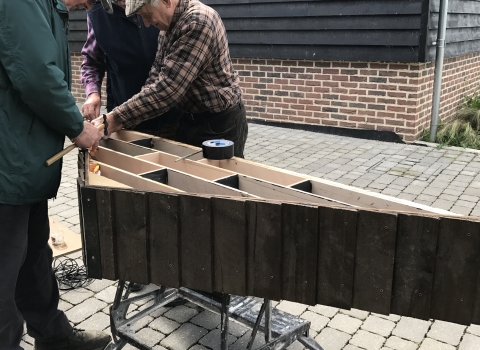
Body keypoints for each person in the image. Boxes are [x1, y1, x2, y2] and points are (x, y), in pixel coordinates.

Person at [0, 0, 110, 349]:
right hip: (8, 161)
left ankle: (53, 336)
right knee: (4, 267)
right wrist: (76, 127)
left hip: (25, 158)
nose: (88, 6)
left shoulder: (48, 7)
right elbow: (35, 74)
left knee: (34, 255)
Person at [94, 0, 248, 158]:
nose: (147, 24)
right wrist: (121, 117)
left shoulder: (198, 22)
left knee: (217, 179)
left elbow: (167, 90)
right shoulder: (168, 26)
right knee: (186, 178)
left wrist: (116, 118)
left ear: (166, 1)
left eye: (147, 15)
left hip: (219, 123)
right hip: (190, 119)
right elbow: (155, 78)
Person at [81, 0, 179, 138]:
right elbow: (92, 61)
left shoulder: (167, 7)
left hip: (173, 117)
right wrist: (92, 93)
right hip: (124, 120)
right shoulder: (96, 11)